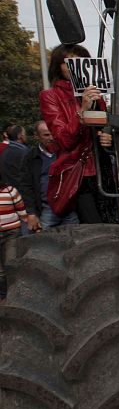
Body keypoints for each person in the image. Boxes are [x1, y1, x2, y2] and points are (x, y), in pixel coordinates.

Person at [39, 43, 113, 224]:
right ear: (58, 66)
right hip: (79, 173)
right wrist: (82, 111)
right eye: (68, 61)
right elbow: (64, 140)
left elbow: (103, 126)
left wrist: (108, 136)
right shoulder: (50, 96)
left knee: (112, 223)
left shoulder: (97, 94)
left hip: (103, 169)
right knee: (93, 226)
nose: (75, 64)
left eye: (79, 60)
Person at [18, 121, 79, 233]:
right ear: (37, 136)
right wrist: (31, 213)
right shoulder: (31, 157)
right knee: (47, 243)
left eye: (53, 133)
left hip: (69, 208)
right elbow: (26, 186)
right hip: (47, 209)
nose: (51, 138)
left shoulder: (66, 152)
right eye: (46, 135)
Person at [0, 172, 27, 301]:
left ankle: (16, 295)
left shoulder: (10, 191)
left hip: (11, 232)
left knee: (11, 263)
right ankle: (3, 296)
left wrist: (29, 221)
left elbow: (21, 209)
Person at [1, 125, 28, 190]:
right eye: (24, 134)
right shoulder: (23, 151)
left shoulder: (5, 150)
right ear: (19, 136)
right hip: (21, 190)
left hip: (8, 190)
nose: (25, 136)